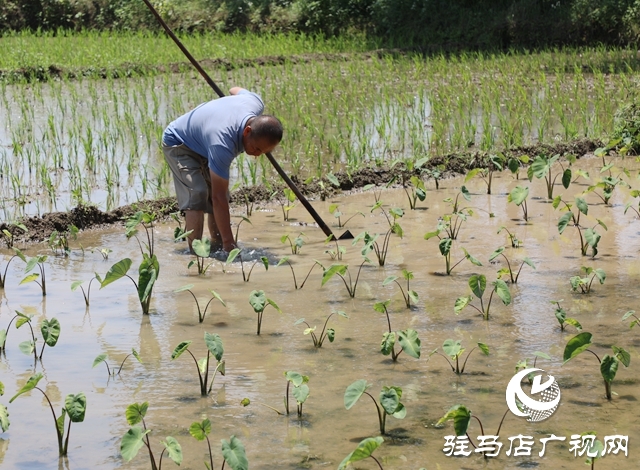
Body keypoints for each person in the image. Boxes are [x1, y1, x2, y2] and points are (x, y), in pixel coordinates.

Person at [162, 87, 283, 253]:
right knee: (197, 193)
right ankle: (196, 254)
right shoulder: (222, 144)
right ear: (247, 131)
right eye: (256, 149)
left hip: (206, 142)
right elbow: (218, 198)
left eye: (263, 152)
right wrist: (230, 244)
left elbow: (235, 90)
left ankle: (217, 244)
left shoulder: (254, 102)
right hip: (180, 142)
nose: (256, 155)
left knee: (221, 195)